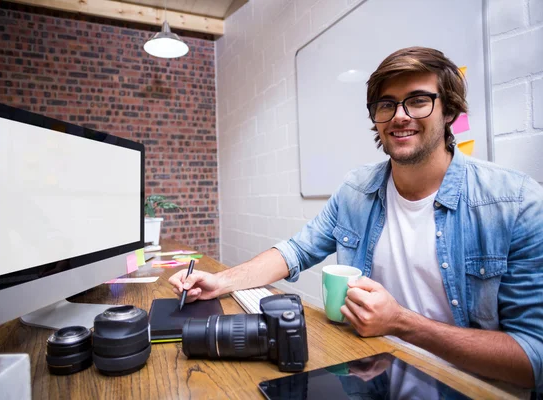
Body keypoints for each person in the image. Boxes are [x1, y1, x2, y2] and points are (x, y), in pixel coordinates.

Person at [169, 47, 543, 391]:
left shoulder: (514, 203)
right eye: (387, 104)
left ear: (449, 111)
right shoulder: (356, 189)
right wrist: (219, 281)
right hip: (371, 377)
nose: (400, 116)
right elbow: (295, 250)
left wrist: (402, 323)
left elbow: (532, 358)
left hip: (466, 389)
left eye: (418, 101)